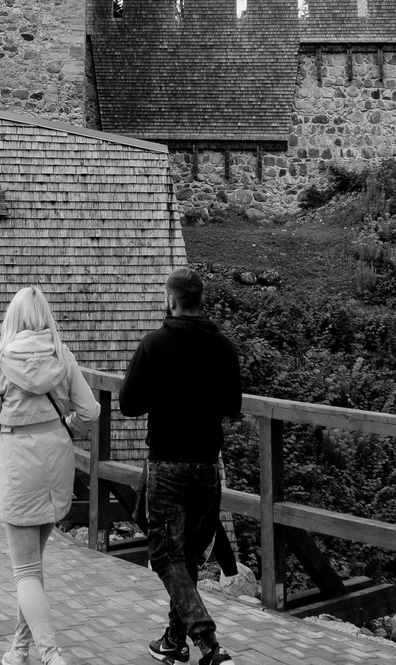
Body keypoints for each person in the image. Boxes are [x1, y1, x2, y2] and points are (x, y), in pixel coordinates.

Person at [118, 267, 243, 665]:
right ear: (200, 300)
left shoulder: (155, 344)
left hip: (168, 464)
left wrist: (164, 391)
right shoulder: (223, 347)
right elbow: (234, 406)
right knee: (186, 555)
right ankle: (173, 641)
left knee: (165, 555)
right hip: (208, 466)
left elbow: (128, 404)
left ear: (171, 300)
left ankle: (208, 643)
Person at [0, 285, 100, 665]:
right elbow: (91, 411)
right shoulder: (62, 355)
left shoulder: (1, 359)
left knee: (24, 569)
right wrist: (72, 424)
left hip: (18, 458)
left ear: (14, 317)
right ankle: (19, 649)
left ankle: (50, 654)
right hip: (56, 457)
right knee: (32, 567)